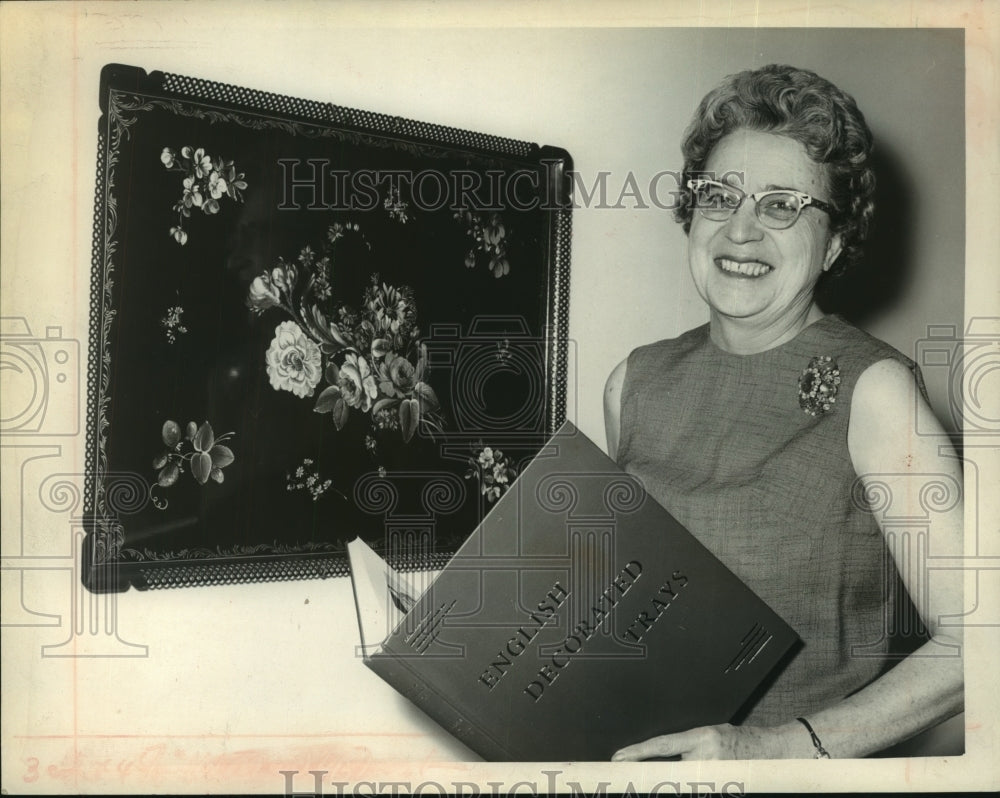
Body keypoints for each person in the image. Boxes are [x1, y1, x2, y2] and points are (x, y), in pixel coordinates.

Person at [604, 64, 964, 760]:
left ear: (835, 241)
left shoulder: (874, 390)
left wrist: (777, 750)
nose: (741, 231)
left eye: (781, 206)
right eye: (720, 197)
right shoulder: (634, 383)